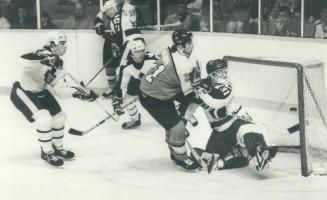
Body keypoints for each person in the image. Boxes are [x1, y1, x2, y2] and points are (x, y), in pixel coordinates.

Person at [10, 31, 98, 167]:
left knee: (60, 117)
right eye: (62, 43)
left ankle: (57, 148)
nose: (65, 46)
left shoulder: (57, 64)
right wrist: (43, 59)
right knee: (44, 118)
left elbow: (61, 90)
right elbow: (23, 63)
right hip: (22, 91)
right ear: (52, 44)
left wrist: (79, 93)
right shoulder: (39, 55)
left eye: (65, 43)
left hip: (39, 91)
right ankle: (47, 152)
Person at [189, 59, 278, 171]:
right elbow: (189, 106)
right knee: (209, 158)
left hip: (234, 120)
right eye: (219, 72)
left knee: (245, 129)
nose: (224, 74)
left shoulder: (228, 86)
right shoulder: (204, 87)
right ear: (212, 76)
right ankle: (225, 159)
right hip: (220, 130)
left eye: (224, 70)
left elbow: (218, 102)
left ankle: (259, 153)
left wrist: (203, 91)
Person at [139, 30, 201, 170]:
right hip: (154, 97)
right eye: (189, 42)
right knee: (178, 128)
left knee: (174, 123)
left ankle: (175, 148)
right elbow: (190, 94)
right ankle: (181, 159)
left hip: (155, 90)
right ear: (180, 46)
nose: (192, 45)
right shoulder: (183, 64)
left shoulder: (168, 50)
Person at [94, 0, 137, 98]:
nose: (109, 11)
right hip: (109, 42)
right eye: (108, 10)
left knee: (123, 66)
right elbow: (98, 18)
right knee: (108, 65)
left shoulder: (124, 10)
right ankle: (111, 87)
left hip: (123, 43)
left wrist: (119, 46)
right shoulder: (107, 8)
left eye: (111, 9)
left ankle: (122, 88)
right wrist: (99, 25)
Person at [113, 38, 158, 129]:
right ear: (132, 53)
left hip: (153, 83)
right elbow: (121, 86)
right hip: (136, 84)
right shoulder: (126, 66)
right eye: (137, 51)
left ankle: (182, 112)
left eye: (142, 50)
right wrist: (118, 102)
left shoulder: (153, 57)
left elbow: (167, 69)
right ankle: (135, 120)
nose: (141, 53)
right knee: (127, 101)